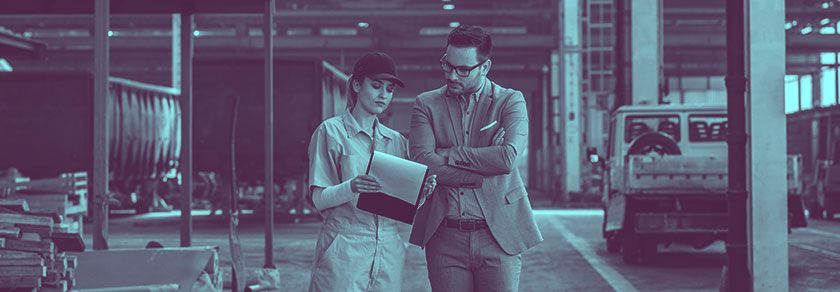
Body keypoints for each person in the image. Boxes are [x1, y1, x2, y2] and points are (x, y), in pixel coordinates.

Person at [409, 25, 543, 292]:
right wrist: (481, 169)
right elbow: (424, 162)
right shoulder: (426, 104)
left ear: (485, 67)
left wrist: (450, 153)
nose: (452, 75)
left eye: (463, 70)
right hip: (445, 236)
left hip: (499, 233)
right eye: (447, 65)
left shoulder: (510, 101)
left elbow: (507, 159)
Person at [307, 51, 436, 292]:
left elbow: (398, 207)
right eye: (376, 86)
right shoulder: (331, 132)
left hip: (389, 248)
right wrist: (352, 186)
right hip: (345, 246)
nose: (383, 95)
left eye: (389, 89)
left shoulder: (396, 140)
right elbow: (319, 199)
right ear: (356, 84)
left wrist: (421, 195)